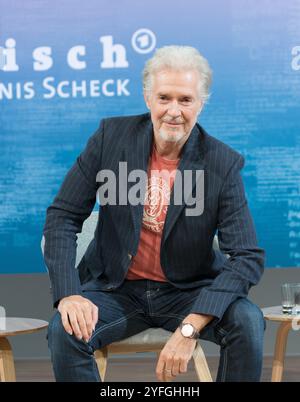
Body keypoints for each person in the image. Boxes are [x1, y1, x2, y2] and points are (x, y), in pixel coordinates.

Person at [43, 45, 265, 382]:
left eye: (185, 100)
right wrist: (69, 293)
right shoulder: (109, 139)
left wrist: (191, 326)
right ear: (148, 98)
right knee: (65, 328)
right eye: (164, 98)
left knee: (247, 321)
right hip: (116, 290)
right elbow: (62, 217)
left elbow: (246, 255)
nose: (174, 111)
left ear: (200, 104)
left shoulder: (222, 163)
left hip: (189, 292)